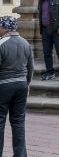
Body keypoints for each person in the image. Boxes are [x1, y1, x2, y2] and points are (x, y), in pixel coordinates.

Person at [0, 16, 34, 157]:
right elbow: (30, 67)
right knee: (18, 122)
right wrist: (27, 84)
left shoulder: (1, 43)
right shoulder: (25, 43)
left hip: (4, 85)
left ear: (5, 27)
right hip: (21, 85)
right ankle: (20, 155)